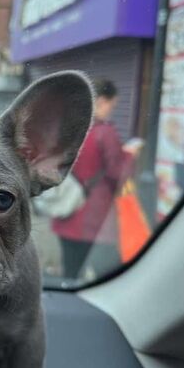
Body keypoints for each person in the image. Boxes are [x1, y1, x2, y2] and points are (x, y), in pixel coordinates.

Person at [52, 79, 141, 280]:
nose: (112, 110)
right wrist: (129, 155)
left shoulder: (68, 129)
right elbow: (118, 173)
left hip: (66, 208)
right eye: (112, 105)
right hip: (92, 216)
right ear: (101, 101)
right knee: (96, 272)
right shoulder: (105, 133)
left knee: (70, 269)